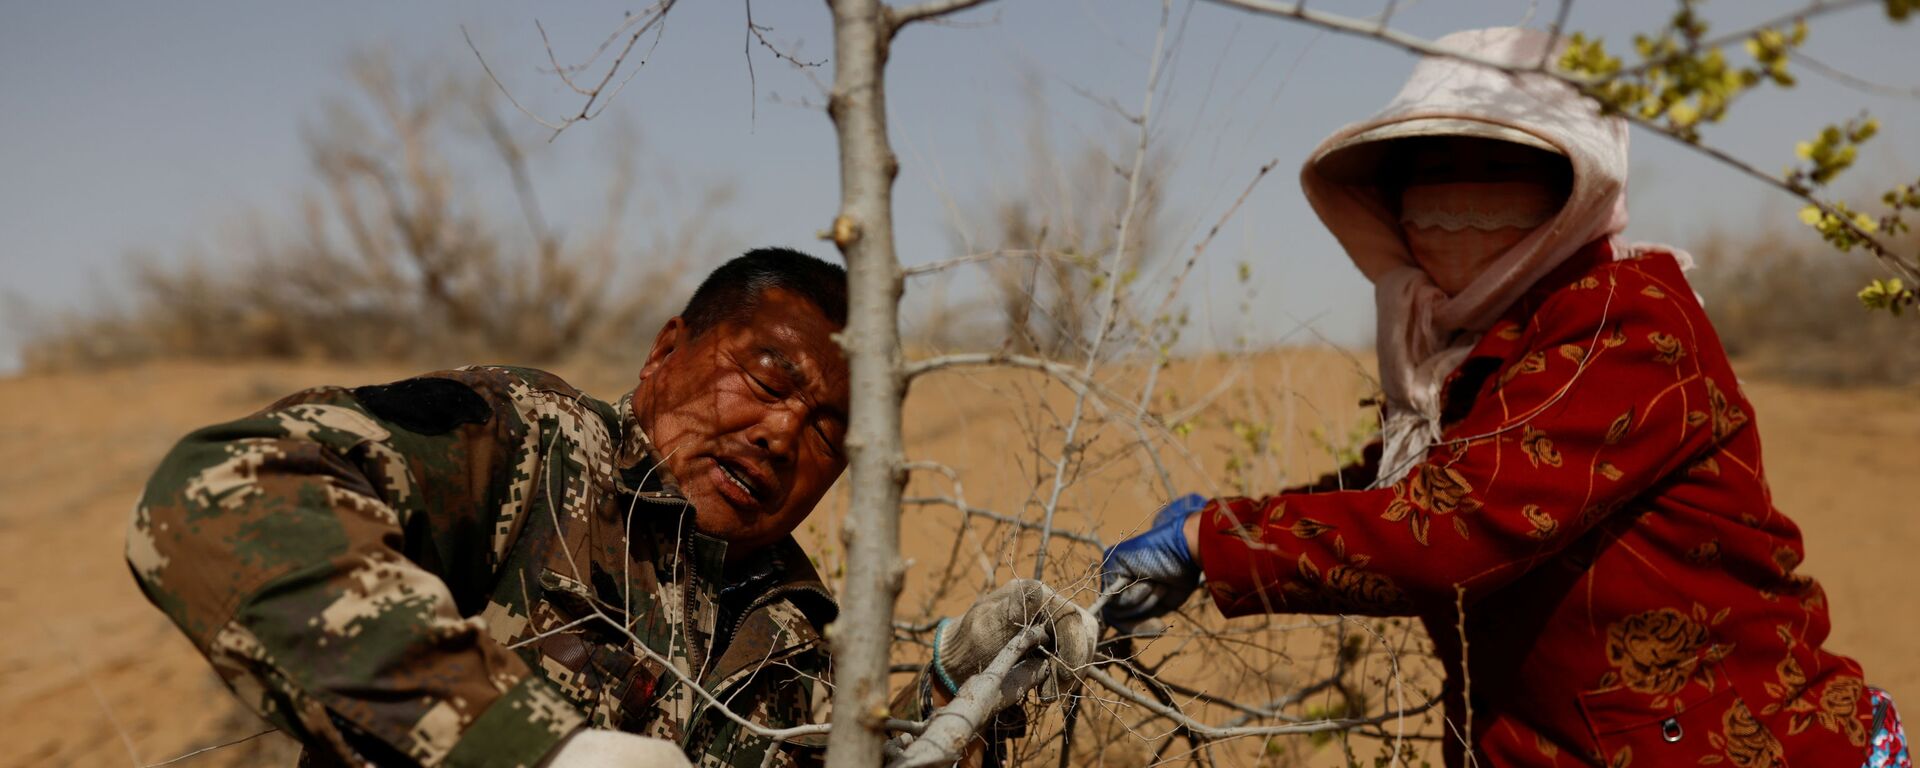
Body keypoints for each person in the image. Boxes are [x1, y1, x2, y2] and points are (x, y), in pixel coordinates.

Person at [1100, 27, 1908, 768]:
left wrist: (1218, 542)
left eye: (1496, 177)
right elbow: (1398, 492)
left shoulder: (1619, 324)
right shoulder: (1479, 353)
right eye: (1430, 180)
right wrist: (1226, 530)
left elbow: (1453, 525)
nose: (1455, 210)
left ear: (1566, 197)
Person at [128, 247, 1096, 768]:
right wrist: (531, 749)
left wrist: (951, 694)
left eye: (827, 433)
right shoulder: (531, 449)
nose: (778, 433)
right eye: (765, 377)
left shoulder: (793, 638)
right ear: (666, 349)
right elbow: (225, 489)